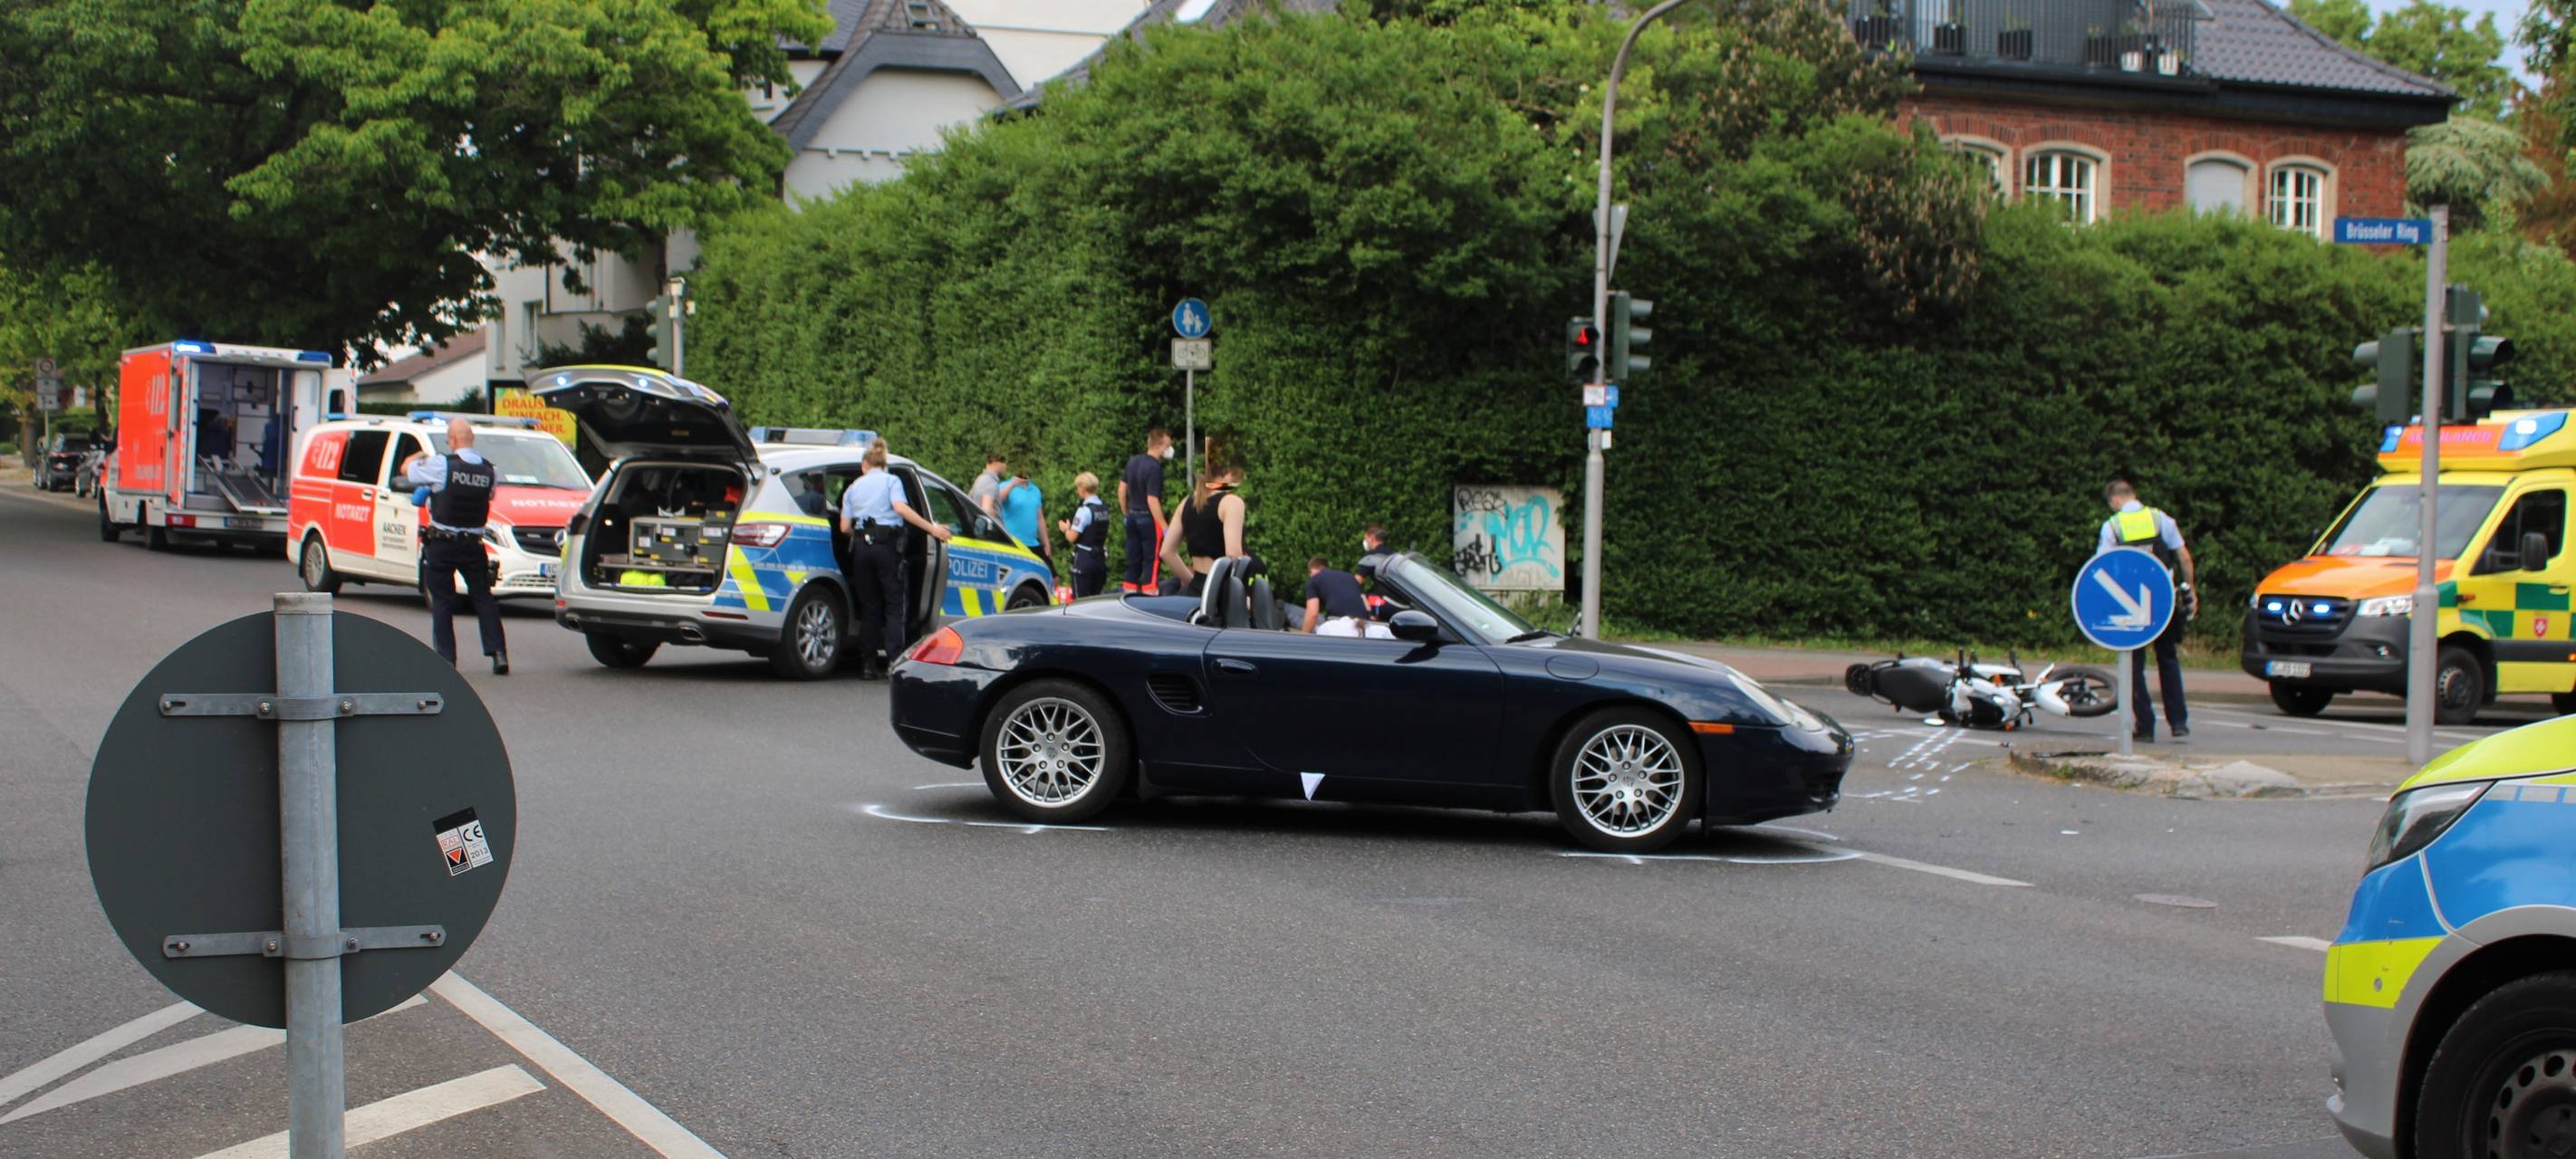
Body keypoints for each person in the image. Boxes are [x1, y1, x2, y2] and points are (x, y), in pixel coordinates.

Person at [399, 418, 508, 674]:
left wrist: (419, 455)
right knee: (483, 599)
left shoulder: (441, 464)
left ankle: (447, 660)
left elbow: (407, 469)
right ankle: (499, 654)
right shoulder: (490, 470)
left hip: (443, 544)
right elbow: (488, 496)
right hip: (473, 545)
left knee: (443, 602)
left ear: (453, 440)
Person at [2099, 479, 2199, 742]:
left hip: (2131, 604)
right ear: (2134, 495)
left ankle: (2145, 726)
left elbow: (2104, 565)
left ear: (2114, 501)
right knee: (2168, 658)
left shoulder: (2113, 526)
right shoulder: (2160, 519)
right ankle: (2178, 722)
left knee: (2133, 665)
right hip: (2163, 600)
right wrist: (2190, 590)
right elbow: (2184, 557)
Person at [841, 442, 950, 679]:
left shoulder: (852, 488)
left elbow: (844, 528)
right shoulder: (892, 482)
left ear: (864, 466)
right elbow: (900, 508)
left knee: (870, 607)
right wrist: (932, 529)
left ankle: (868, 665)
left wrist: (862, 537)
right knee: (894, 605)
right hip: (886, 548)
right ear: (884, 464)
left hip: (861, 550)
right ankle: (894, 661)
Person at [1161, 442, 1246, 598]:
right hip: (1222, 593)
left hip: (1195, 592)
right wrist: (1241, 596)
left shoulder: (1187, 502)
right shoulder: (1232, 502)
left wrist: (1192, 580)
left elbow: (1166, 552)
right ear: (1229, 472)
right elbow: (1234, 554)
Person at [1118, 429, 1173, 593]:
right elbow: (1152, 499)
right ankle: (1150, 596)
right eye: (1168, 446)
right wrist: (1164, 527)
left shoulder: (1133, 462)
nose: (1169, 450)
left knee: (1133, 560)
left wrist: (1126, 512)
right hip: (1149, 520)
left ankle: (1129, 594)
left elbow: (1121, 489)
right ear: (1160, 446)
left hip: (1132, 517)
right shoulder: (1155, 467)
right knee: (1152, 561)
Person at [1058, 472, 1110, 598]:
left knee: (1080, 602)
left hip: (1085, 558)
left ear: (1082, 488)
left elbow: (1072, 537)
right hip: (1100, 559)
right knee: (1095, 599)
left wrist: (1066, 529)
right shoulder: (1104, 508)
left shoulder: (1084, 511)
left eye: (1077, 487)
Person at [1302, 556, 1377, 636]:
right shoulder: (1350, 577)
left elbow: (1312, 614)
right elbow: (1366, 605)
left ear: (1311, 570)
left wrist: (1303, 637)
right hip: (1363, 625)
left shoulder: (1313, 580)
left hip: (1339, 624)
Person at [996, 465, 1047, 569]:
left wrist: (1046, 543)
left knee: (1052, 575)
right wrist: (1012, 485)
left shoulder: (1035, 490)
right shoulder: (1004, 485)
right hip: (1014, 543)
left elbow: (1040, 518)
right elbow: (997, 501)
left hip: (1033, 543)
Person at [969, 451, 1007, 517]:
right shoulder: (991, 482)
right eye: (1003, 461)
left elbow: (969, 501)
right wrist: (997, 517)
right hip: (991, 526)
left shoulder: (979, 479)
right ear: (994, 462)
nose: (1005, 465)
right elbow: (986, 509)